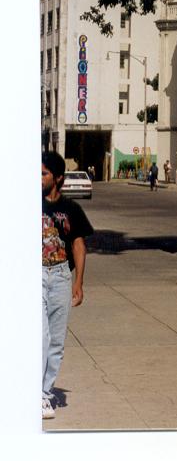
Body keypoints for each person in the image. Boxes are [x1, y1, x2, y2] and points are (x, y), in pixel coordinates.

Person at [42, 151, 94, 420]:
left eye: (44, 174)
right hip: (35, 275)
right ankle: (35, 393)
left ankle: (45, 392)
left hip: (61, 275)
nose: (38, 179)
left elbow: (78, 246)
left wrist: (79, 283)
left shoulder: (71, 209)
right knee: (40, 336)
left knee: (56, 341)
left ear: (58, 178)